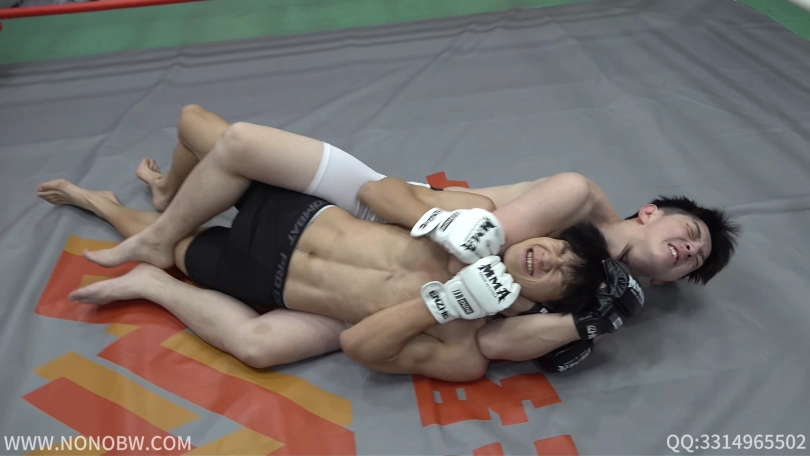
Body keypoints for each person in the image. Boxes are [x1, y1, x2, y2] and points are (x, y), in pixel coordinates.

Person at [73, 104, 740, 368]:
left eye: (694, 262)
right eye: (691, 234)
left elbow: (492, 342)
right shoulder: (574, 201)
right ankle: (170, 204)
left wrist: (576, 319)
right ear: (650, 210)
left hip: (374, 284)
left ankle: (154, 257)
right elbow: (454, 225)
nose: (689, 250)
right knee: (219, 136)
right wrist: (450, 229)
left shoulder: (583, 307)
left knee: (259, 344)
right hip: (406, 221)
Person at [38, 171, 641, 381]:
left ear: (543, 303)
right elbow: (383, 189)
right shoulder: (482, 221)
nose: (551, 259)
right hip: (298, 220)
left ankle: (115, 223)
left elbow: (359, 345)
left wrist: (448, 303)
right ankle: (161, 192)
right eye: (560, 250)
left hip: (270, 282)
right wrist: (440, 222)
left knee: (175, 255)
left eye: (563, 274)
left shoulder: (465, 349)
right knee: (212, 141)